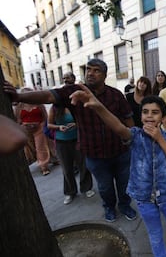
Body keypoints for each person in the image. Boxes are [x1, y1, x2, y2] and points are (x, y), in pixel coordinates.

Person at [4, 58, 137, 223]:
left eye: (96, 70)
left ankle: (125, 205)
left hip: (120, 152)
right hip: (95, 155)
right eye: (88, 69)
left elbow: (128, 119)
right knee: (105, 187)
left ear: (104, 74)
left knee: (124, 184)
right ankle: (109, 207)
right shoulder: (73, 91)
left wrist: (134, 143)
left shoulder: (115, 95)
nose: (90, 73)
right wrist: (18, 96)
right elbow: (47, 95)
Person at [69, 90, 166, 257]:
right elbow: (118, 126)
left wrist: (160, 138)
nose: (149, 116)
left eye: (155, 112)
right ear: (140, 115)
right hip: (145, 200)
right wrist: (98, 107)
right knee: (155, 237)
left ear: (162, 117)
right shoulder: (136, 135)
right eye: (145, 112)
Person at [48, 72, 95, 205]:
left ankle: (86, 188)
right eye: (64, 79)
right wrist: (59, 128)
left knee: (83, 165)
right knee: (66, 168)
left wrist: (76, 124)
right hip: (62, 142)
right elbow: (49, 124)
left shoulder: (77, 104)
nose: (65, 80)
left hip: (78, 139)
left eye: (68, 78)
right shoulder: (55, 107)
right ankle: (70, 192)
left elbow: (85, 120)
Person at [14, 88, 51, 176]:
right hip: (25, 129)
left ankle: (43, 166)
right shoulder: (19, 106)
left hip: (39, 128)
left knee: (40, 147)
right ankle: (33, 161)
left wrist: (43, 125)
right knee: (29, 148)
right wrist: (21, 127)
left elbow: (45, 116)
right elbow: (17, 119)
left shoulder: (39, 104)